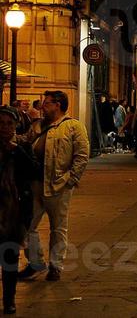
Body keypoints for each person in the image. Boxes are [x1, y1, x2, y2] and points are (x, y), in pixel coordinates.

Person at [19, 91, 88, 282]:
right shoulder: (38, 126)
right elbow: (24, 141)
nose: (43, 106)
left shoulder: (73, 126)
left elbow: (82, 155)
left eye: (47, 103)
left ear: (58, 105)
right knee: (27, 226)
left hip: (58, 185)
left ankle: (55, 266)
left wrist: (70, 179)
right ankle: (35, 263)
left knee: (58, 228)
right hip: (35, 184)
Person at [0, 106, 39, 315]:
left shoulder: (22, 147)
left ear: (16, 126)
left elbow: (34, 171)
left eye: (9, 123)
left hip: (13, 213)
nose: (5, 128)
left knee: (9, 259)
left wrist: (16, 150)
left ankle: (9, 300)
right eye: (1, 123)